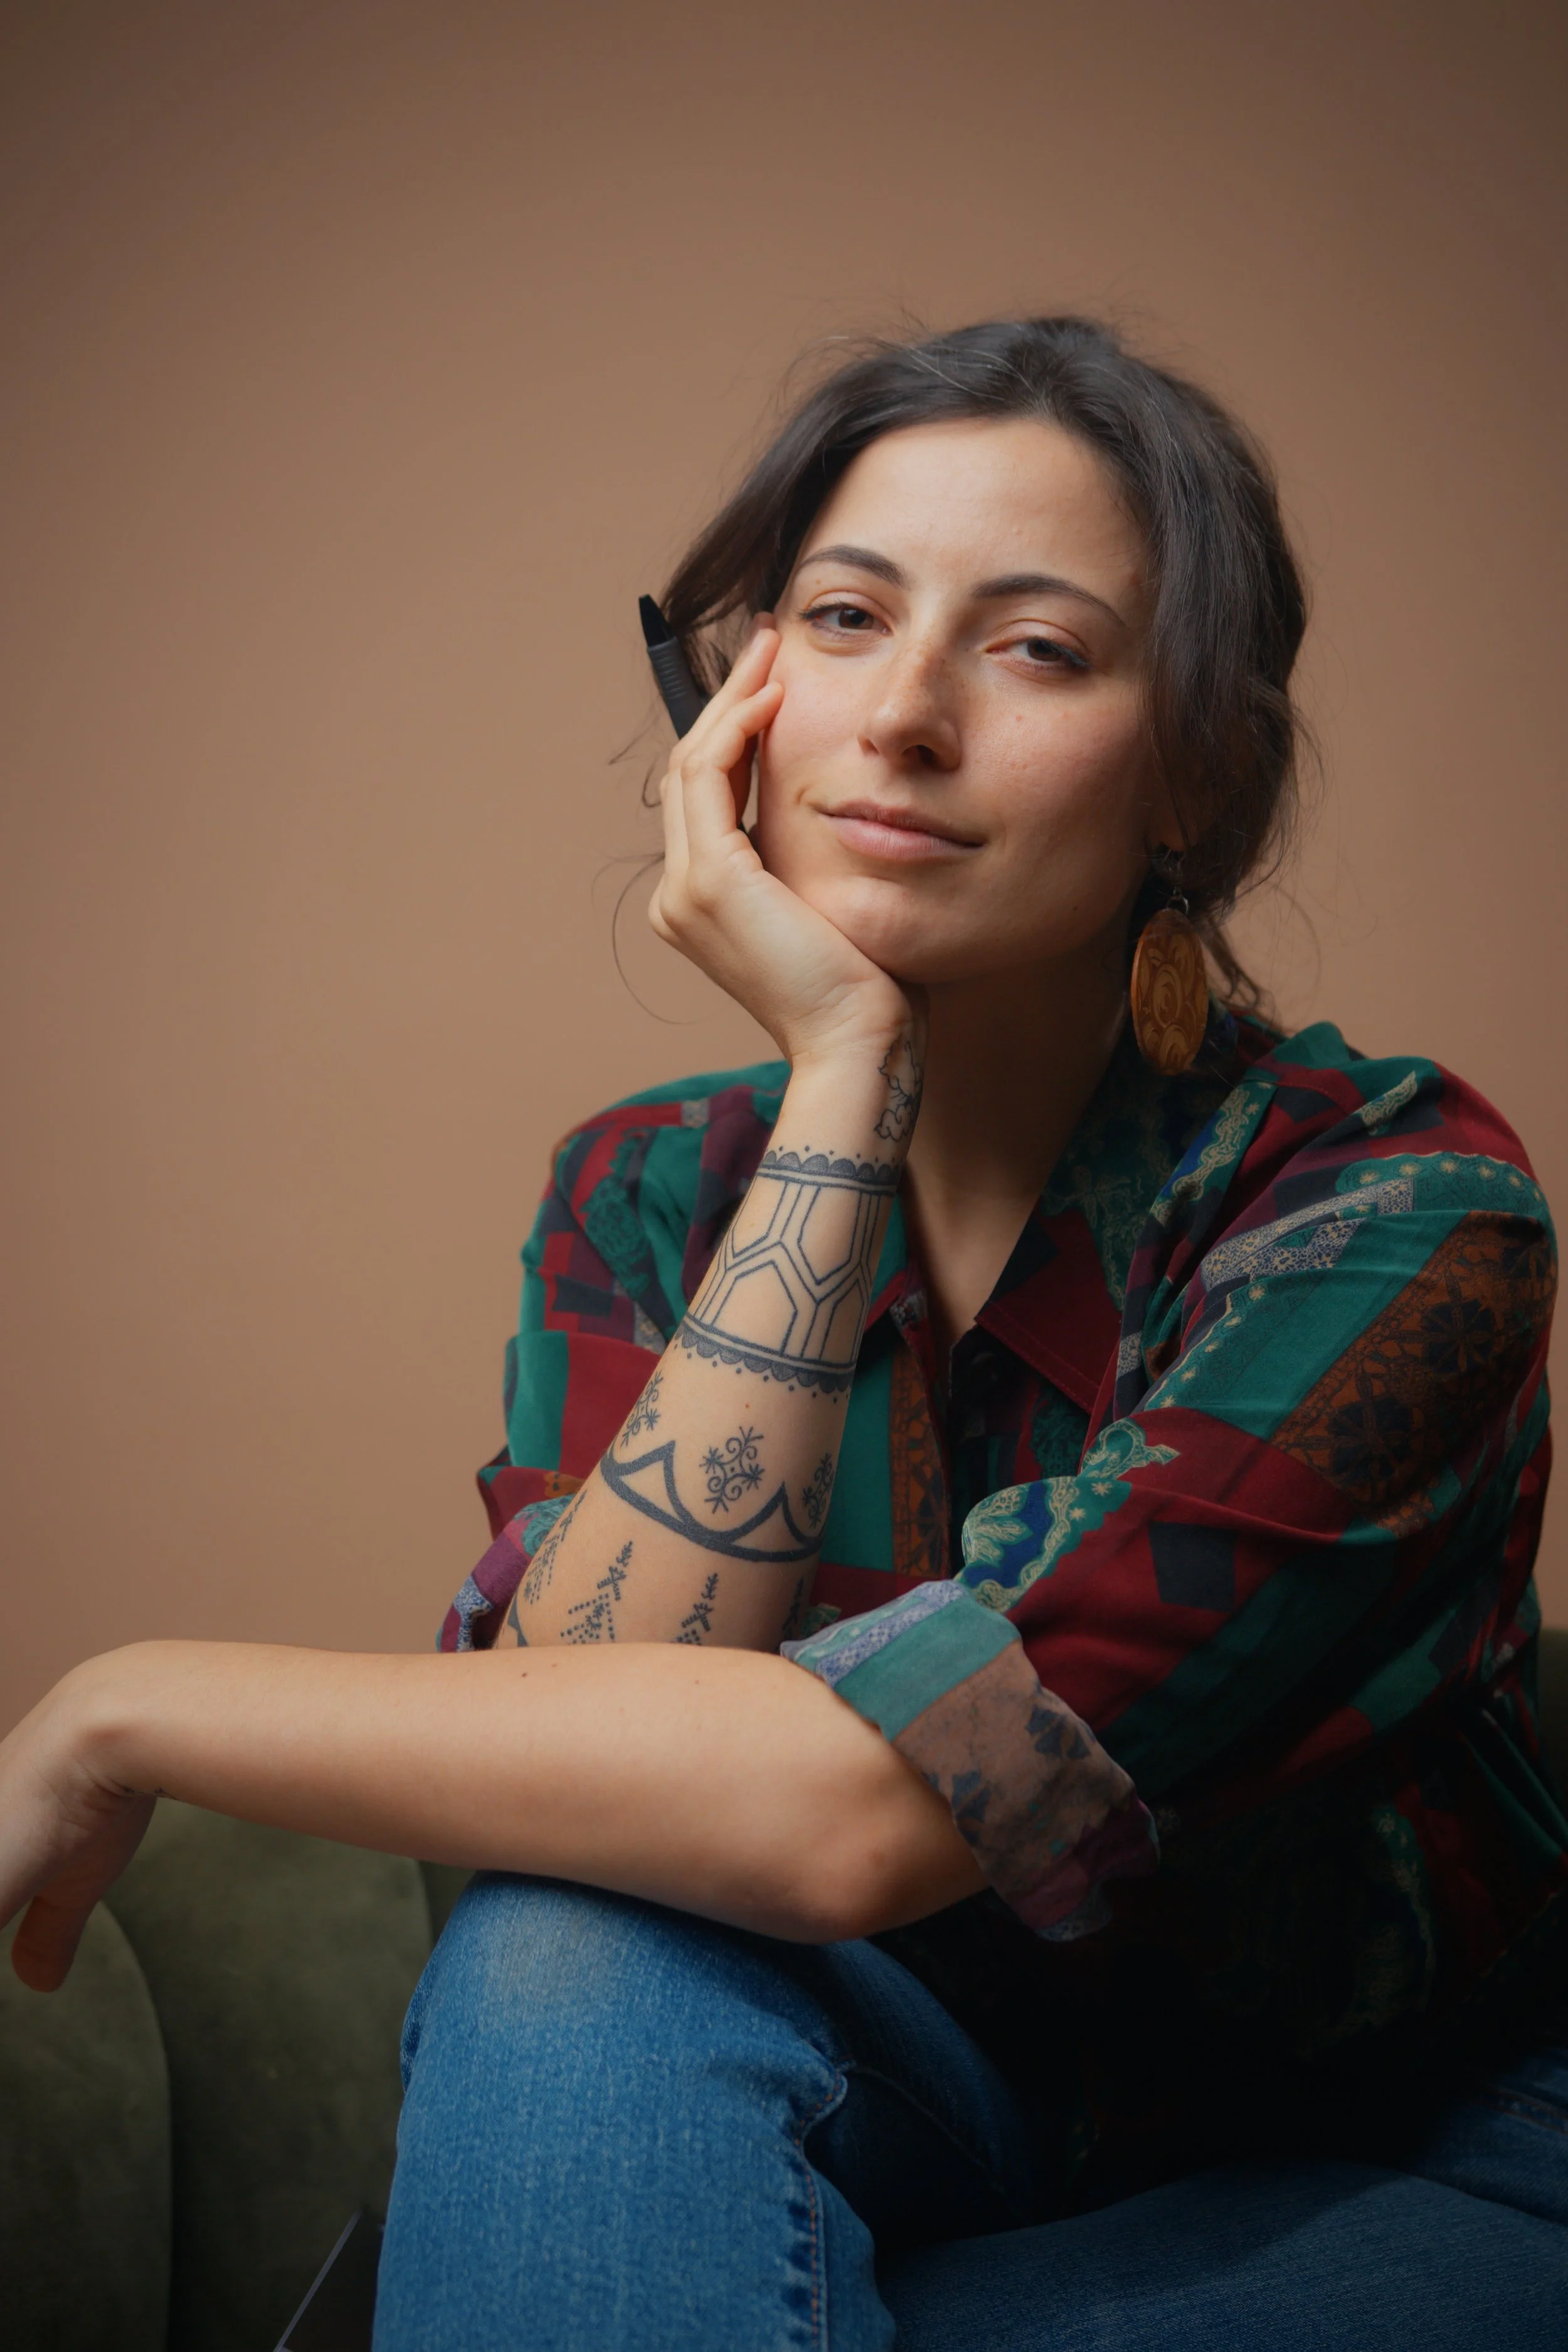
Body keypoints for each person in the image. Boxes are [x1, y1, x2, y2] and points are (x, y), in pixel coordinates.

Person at [2, 317, 1565, 2350]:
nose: (901, 713)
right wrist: (844, 1076)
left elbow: (870, 1806)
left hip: (1373, 2164)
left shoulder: (1393, 1205)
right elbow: (577, 1734)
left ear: (1191, 761)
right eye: (842, 615)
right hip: (899, 2111)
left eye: (1037, 649)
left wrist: (119, 1703)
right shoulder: (647, 1191)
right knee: (571, 1937)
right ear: (724, 698)